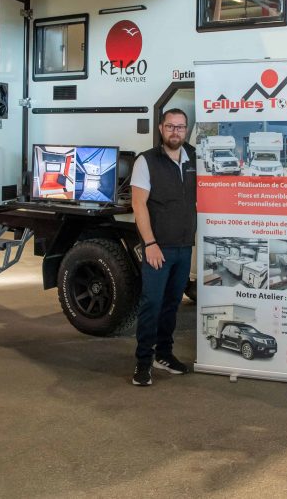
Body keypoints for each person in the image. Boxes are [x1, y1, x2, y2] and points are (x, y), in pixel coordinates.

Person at [129, 108, 197, 386]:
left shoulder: (193, 157)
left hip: (183, 246)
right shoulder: (146, 161)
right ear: (161, 129)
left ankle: (165, 355)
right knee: (152, 305)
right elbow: (138, 204)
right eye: (170, 126)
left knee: (172, 304)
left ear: (186, 129)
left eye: (180, 127)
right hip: (158, 248)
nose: (175, 132)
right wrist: (150, 243)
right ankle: (143, 363)